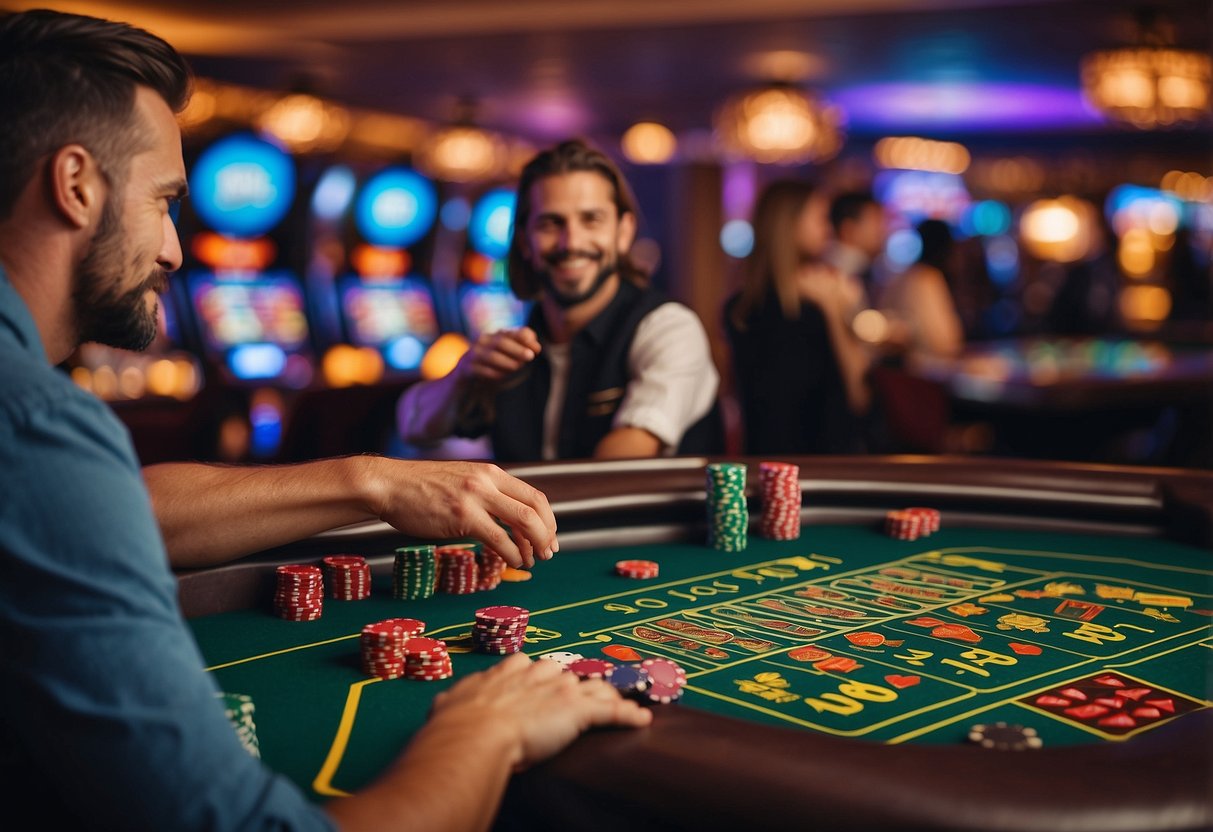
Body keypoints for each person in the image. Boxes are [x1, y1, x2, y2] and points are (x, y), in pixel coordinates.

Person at [0, 10, 650, 832]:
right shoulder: (36, 426)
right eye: (164, 201)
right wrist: (485, 730)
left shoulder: (41, 440)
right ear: (76, 185)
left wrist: (368, 480)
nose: (174, 249)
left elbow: (111, 508)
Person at [397, 139, 721, 461]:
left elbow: (618, 467)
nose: (571, 242)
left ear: (623, 232)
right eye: (551, 224)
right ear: (524, 240)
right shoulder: (520, 344)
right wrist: (462, 375)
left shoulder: (669, 328)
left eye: (591, 219)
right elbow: (413, 426)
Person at [723, 179, 874, 455]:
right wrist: (833, 311)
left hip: (765, 459)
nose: (828, 228)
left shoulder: (739, 308)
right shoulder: (811, 306)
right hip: (822, 460)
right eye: (819, 218)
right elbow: (857, 394)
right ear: (789, 223)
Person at [878, 218, 965, 368]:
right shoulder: (927, 279)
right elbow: (942, 341)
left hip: (900, 375)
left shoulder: (901, 277)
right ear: (945, 248)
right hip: (925, 375)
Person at [827, 189, 887, 311]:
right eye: (875, 222)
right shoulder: (840, 274)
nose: (882, 231)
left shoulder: (860, 268)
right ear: (848, 229)